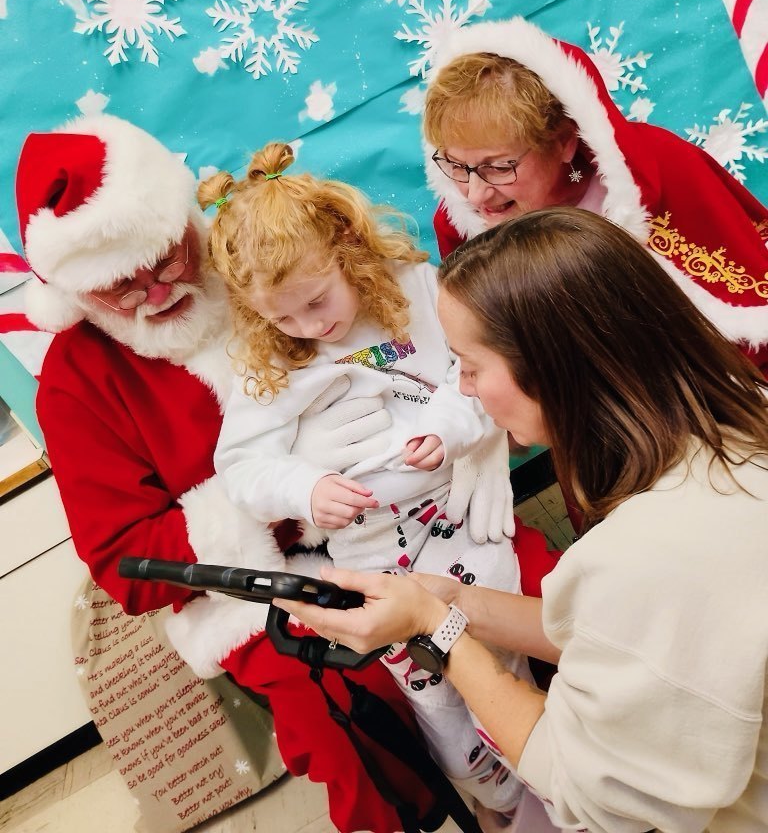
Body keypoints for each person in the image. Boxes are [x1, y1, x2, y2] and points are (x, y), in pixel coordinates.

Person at [14, 113, 443, 833]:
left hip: (402, 505)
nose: (156, 293)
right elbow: (128, 563)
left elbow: (399, 325)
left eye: (167, 260)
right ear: (75, 293)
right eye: (121, 288)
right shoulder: (73, 380)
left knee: (524, 593)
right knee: (348, 713)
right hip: (255, 592)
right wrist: (284, 494)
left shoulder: (253, 250)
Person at [283, 207, 768, 833]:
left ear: (552, 365)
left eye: (471, 365)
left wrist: (440, 632)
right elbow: (620, 634)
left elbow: (585, 790)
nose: (463, 388)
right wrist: (449, 598)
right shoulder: (738, 426)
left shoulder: (645, 556)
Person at [200, 142, 534, 826]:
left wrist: (451, 429)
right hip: (376, 553)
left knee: (505, 661)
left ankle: (550, 779)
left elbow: (475, 373)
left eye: (317, 302)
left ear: (346, 247)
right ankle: (503, 805)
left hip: (463, 517)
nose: (308, 327)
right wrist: (304, 486)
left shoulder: (415, 289)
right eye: (282, 317)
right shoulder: (273, 363)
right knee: (437, 694)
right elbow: (241, 467)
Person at [423, 14, 768, 377]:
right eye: (457, 165)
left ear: (563, 142)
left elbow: (750, 311)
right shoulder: (458, 227)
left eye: (499, 166)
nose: (475, 194)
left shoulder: (663, 166)